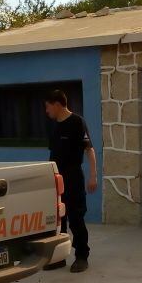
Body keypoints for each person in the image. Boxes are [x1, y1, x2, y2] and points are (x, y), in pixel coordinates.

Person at [44, 89, 97, 273]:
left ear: (57, 104)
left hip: (73, 176)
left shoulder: (77, 122)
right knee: (59, 219)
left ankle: (82, 256)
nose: (46, 111)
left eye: (48, 106)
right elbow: (53, 154)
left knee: (76, 217)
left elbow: (89, 150)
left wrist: (93, 176)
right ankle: (59, 257)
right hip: (57, 178)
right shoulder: (53, 126)